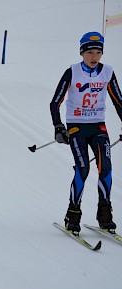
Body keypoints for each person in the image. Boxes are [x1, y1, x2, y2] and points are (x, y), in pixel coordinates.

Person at [50, 32, 122, 235]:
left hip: (98, 127)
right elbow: (55, 102)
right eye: (90, 52)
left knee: (105, 168)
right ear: (82, 53)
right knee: (83, 169)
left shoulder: (107, 72)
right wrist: (58, 127)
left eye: (98, 53)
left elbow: (119, 101)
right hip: (76, 128)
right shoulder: (72, 72)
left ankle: (104, 215)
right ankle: (72, 215)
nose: (94, 57)